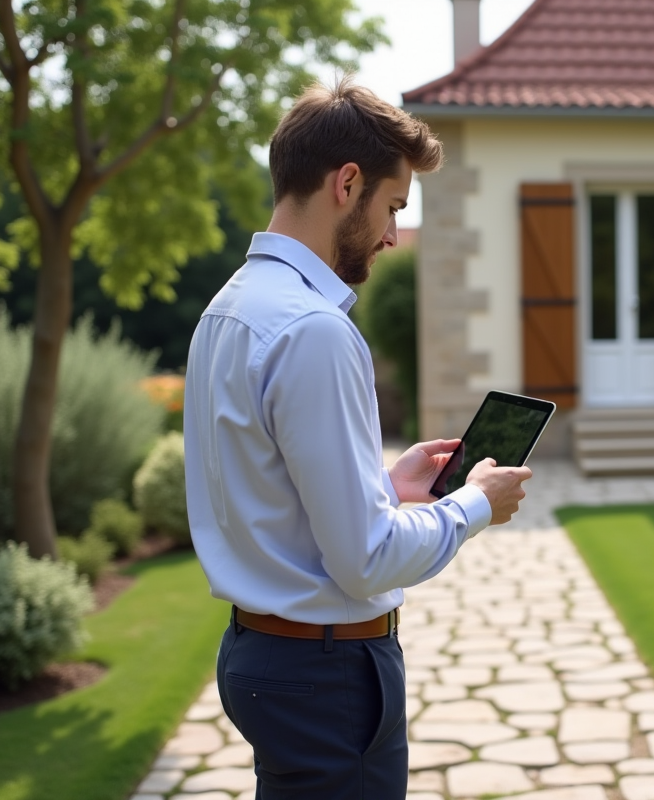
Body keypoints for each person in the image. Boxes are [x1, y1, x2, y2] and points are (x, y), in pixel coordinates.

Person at [182, 77, 533, 800]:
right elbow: (366, 559)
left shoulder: (228, 309)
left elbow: (268, 495)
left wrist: (385, 487)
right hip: (326, 676)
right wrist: (472, 505)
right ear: (348, 183)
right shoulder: (314, 329)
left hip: (263, 658)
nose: (394, 236)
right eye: (394, 206)